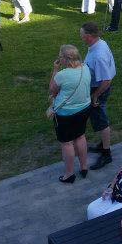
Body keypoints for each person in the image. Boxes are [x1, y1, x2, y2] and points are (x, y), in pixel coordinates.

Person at [49, 44, 92, 183]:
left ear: (65, 59)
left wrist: (55, 69)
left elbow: (52, 90)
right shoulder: (85, 68)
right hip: (84, 108)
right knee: (80, 136)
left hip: (65, 113)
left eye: (60, 56)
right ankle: (84, 167)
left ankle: (69, 174)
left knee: (67, 143)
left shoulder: (62, 75)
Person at [81, 22, 117, 170]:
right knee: (98, 117)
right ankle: (103, 145)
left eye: (82, 34)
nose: (81, 36)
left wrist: (95, 96)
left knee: (101, 119)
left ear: (89, 36)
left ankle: (106, 153)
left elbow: (106, 80)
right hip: (97, 87)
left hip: (99, 89)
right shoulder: (99, 44)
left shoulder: (98, 55)